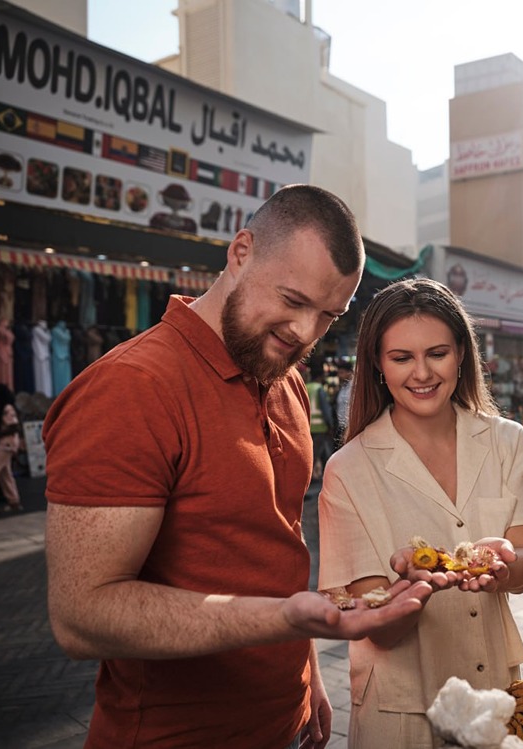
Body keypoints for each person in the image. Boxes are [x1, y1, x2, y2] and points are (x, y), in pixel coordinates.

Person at [41, 184, 432, 749]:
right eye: (293, 300)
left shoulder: (284, 377)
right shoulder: (132, 389)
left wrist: (306, 674)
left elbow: (275, 541)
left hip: (286, 722)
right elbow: (81, 615)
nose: (304, 332)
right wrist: (289, 621)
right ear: (240, 251)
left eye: (327, 315)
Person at [317, 277, 523, 748]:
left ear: (462, 353)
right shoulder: (348, 470)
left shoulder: (508, 442)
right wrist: (416, 586)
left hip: (494, 696)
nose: (421, 373)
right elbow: (378, 628)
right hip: (400, 713)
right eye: (401, 358)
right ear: (378, 365)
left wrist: (503, 566)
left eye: (436, 353)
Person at [0, 403, 23, 515]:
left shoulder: (6, 408)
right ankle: (14, 501)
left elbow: (15, 427)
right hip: (5, 443)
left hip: (7, 443)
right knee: (4, 473)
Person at [305, 366, 335, 481]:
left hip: (309, 427)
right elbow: (325, 409)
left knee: (311, 454)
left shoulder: (305, 387)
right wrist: (330, 425)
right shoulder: (319, 389)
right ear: (321, 376)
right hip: (320, 427)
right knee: (317, 454)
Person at [333, 358, 353, 447]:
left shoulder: (354, 387)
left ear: (349, 372)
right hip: (341, 427)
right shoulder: (343, 387)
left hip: (350, 427)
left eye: (341, 373)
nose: (339, 375)